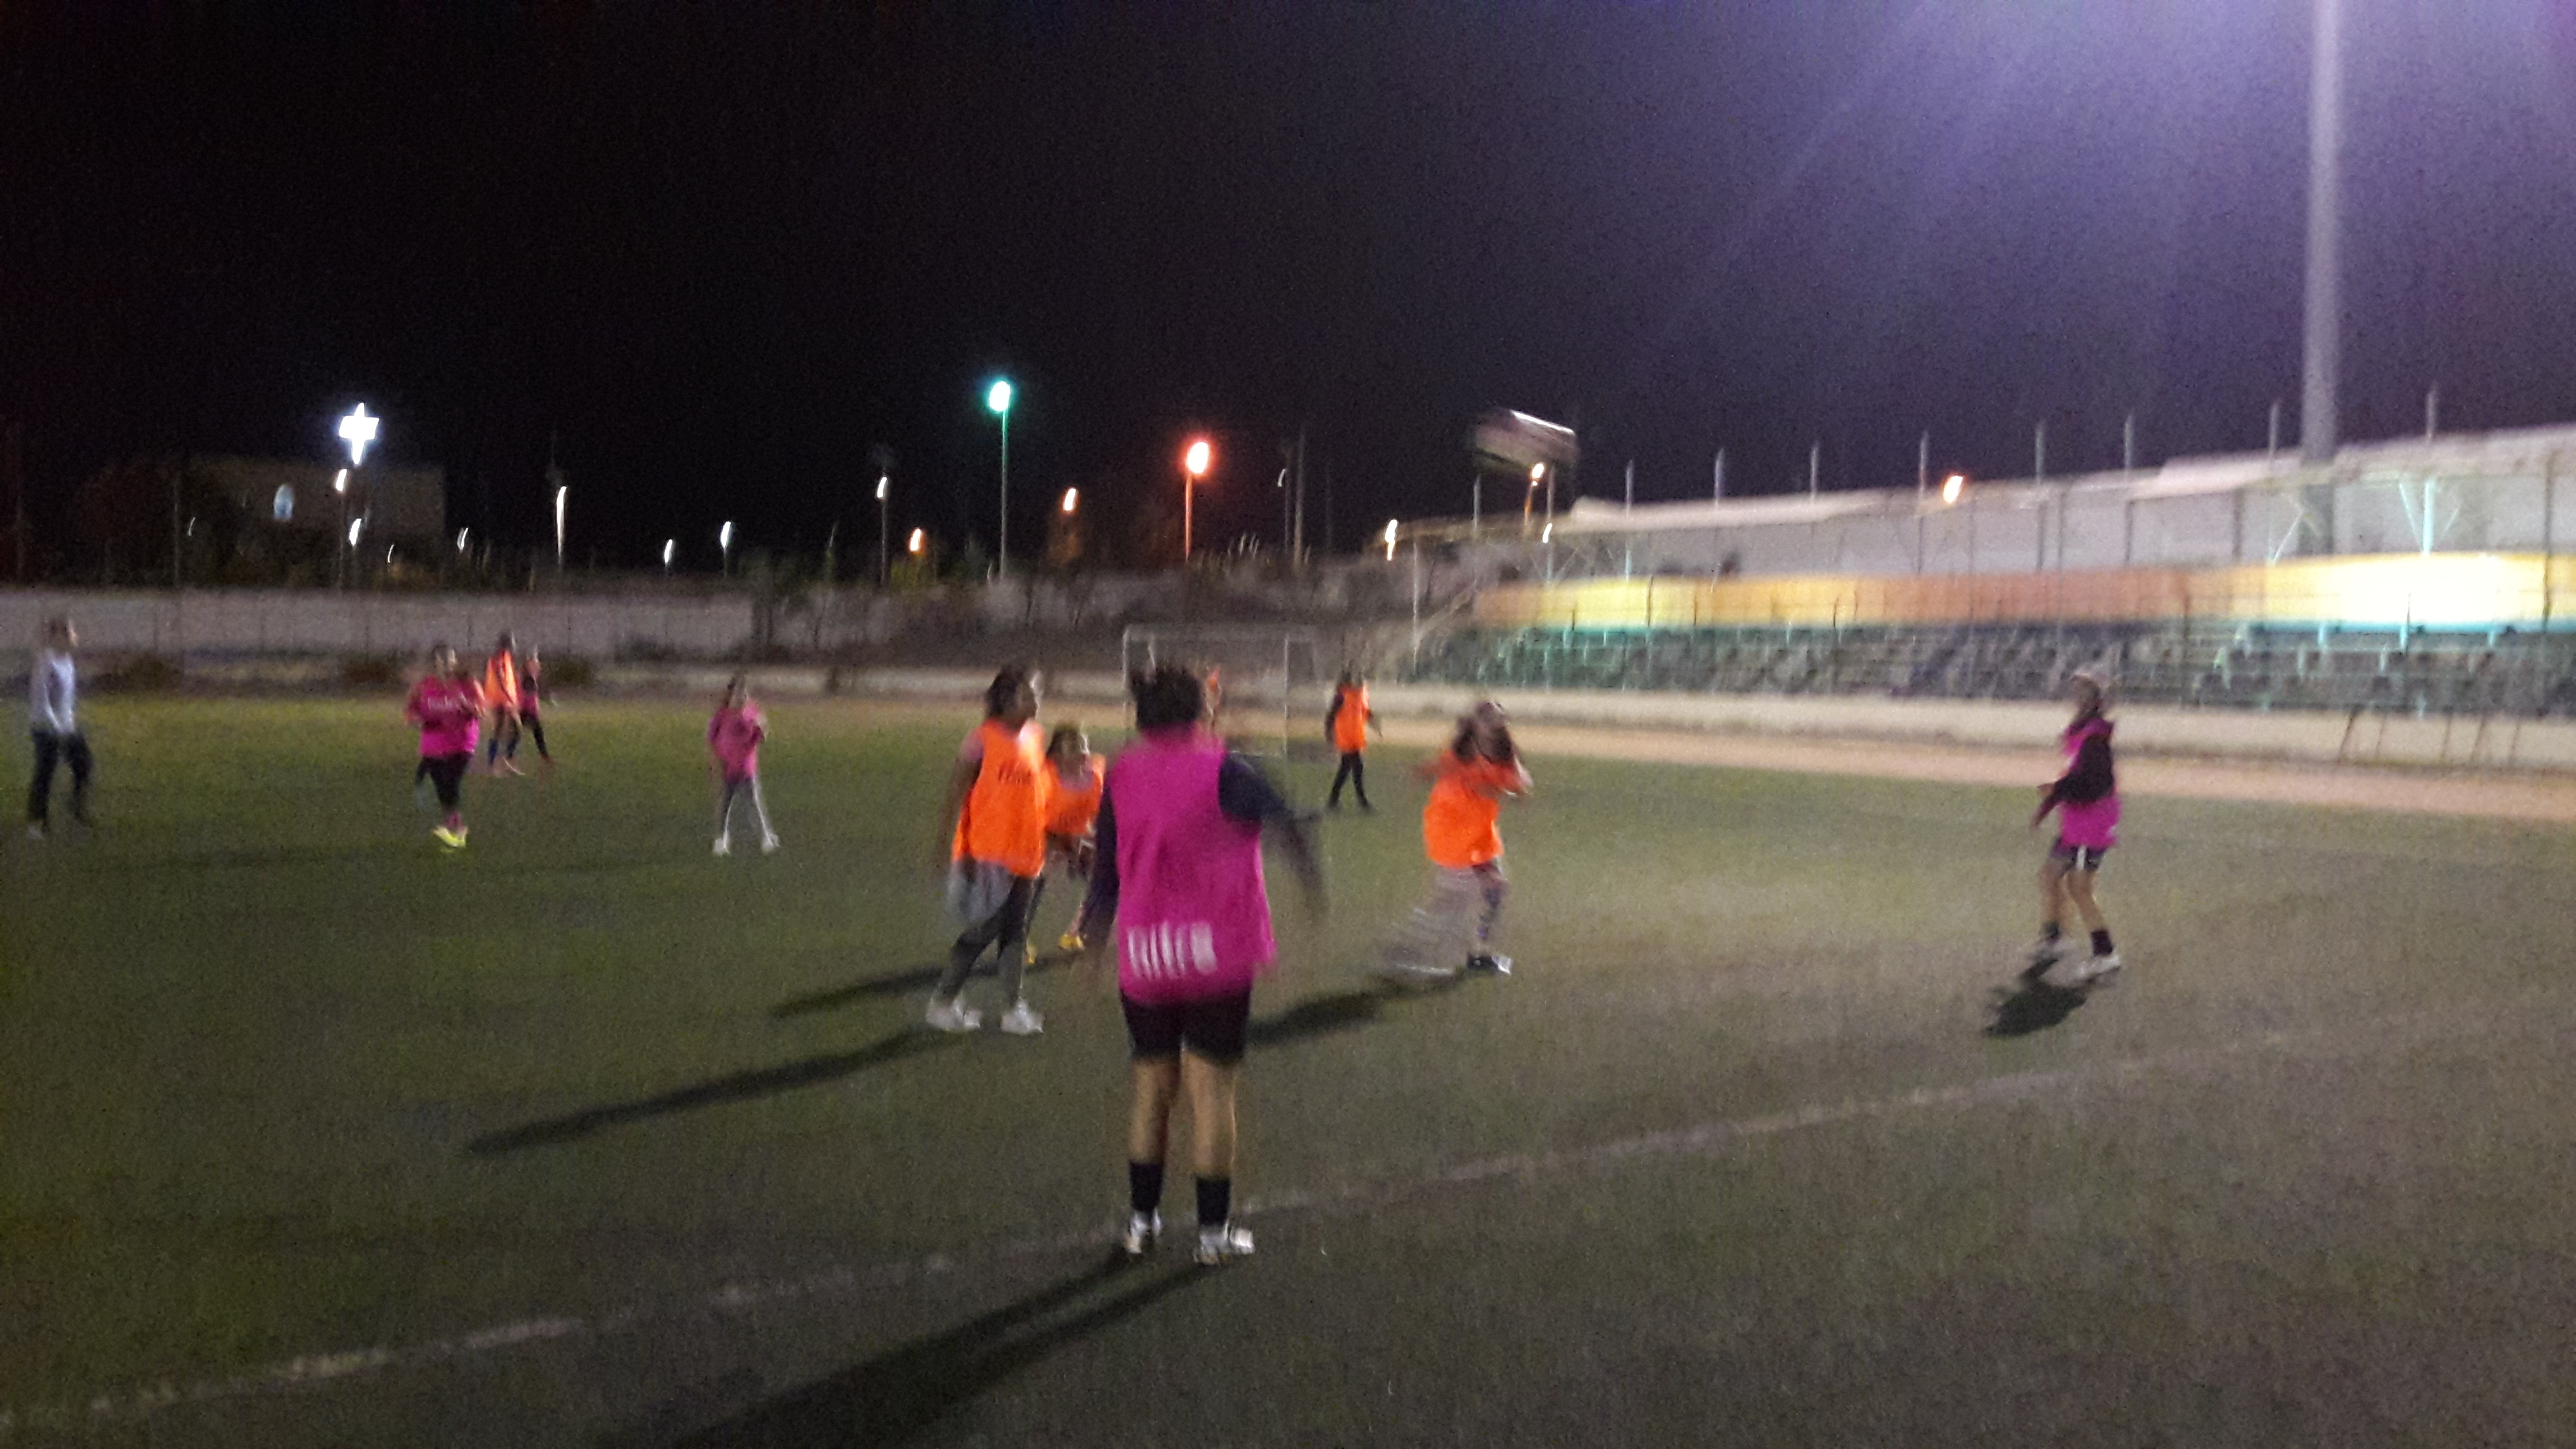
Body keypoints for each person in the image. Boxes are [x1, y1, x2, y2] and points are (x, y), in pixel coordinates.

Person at [1076, 664, 1324, 1265]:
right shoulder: (1227, 769)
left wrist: (1092, 945)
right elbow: (1291, 827)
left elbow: (1105, 872)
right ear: (1203, 712)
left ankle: (1141, 1226)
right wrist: (1311, 888)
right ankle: (1213, 1238)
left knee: (1151, 1088)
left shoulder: (1121, 774)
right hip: (1216, 959)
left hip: (1146, 957)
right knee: (1212, 1093)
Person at [928, 665, 1050, 1035]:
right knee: (984, 933)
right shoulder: (980, 741)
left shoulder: (1035, 736)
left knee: (1015, 933)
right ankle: (943, 1003)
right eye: (1029, 693)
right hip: (990, 856)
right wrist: (948, 847)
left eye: (1037, 692)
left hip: (1027, 854)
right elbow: (955, 797)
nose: (1036, 700)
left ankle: (1013, 1010)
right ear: (1007, 700)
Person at [1378, 701, 1530, 980]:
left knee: (1489, 892)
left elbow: (1521, 791)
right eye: (1488, 717)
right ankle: (1414, 947)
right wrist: (1417, 773)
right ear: (1476, 723)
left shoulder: (1505, 754)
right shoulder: (1462, 752)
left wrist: (1496, 791)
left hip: (1481, 834)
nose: (1494, 723)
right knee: (1459, 899)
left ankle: (1475, 952)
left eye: (1498, 718)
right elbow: (1435, 768)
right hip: (1453, 832)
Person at [2027, 667, 2123, 985]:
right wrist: (2049, 803)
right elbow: (2072, 779)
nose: (2078, 696)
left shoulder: (2095, 739)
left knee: (2080, 888)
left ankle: (2105, 954)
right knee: (2050, 875)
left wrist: (2056, 792)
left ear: (2097, 700)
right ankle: (2055, 938)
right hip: (2076, 823)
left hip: (2091, 824)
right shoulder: (2080, 733)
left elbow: (2095, 785)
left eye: (2085, 691)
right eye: (2077, 690)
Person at [404, 644, 485, 849]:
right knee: (441, 784)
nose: (447, 664)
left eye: (450, 659)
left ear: (455, 660)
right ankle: (453, 823)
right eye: (442, 660)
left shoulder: (467, 683)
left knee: (451, 780)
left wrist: (468, 705)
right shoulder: (425, 686)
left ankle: (456, 827)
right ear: (435, 663)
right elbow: (411, 709)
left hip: (462, 742)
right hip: (433, 743)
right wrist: (414, 719)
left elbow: (481, 710)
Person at [1038, 723, 1103, 953]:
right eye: (1074, 748)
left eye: (1084, 747)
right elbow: (1032, 820)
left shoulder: (1094, 778)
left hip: (1075, 839)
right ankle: (1017, 939)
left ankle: (1076, 932)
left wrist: (1091, 844)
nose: (1083, 753)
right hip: (1043, 838)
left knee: (1100, 877)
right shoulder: (1045, 778)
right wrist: (1062, 843)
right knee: (1033, 886)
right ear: (1057, 756)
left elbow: (1098, 818)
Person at [25, 617, 91, 839]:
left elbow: (66, 700)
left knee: (84, 764)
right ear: (57, 637)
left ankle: (76, 810)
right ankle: (36, 824)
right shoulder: (47, 661)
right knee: (45, 773)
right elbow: (41, 698)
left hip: (65, 727)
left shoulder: (67, 661)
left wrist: (69, 726)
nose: (74, 637)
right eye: (70, 633)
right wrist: (55, 727)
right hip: (45, 726)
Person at [708, 673, 779, 857]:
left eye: (744, 695)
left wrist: (761, 728)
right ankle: (721, 839)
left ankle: (765, 838)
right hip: (727, 767)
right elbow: (712, 738)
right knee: (725, 805)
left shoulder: (752, 713)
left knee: (754, 803)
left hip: (747, 767)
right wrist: (715, 763)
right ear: (730, 696)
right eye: (738, 695)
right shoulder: (722, 715)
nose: (741, 699)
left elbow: (761, 737)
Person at [1323, 669, 1384, 811]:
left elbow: (1365, 712)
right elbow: (1331, 714)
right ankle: (1361, 802)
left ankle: (1334, 801)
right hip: (1347, 737)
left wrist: (1375, 724)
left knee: (1346, 768)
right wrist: (1328, 732)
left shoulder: (1360, 695)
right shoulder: (1342, 696)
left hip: (1355, 737)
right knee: (1356, 767)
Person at [481, 633, 524, 776]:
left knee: (514, 731)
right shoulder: (498, 658)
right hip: (499, 700)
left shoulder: (505, 657)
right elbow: (500, 678)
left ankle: (504, 761)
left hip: (505, 700)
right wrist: (510, 697)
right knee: (502, 731)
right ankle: (495, 764)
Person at [516, 645, 554, 769]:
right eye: (535, 661)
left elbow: (535, 693)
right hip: (525, 709)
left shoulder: (531, 676)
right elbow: (528, 694)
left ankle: (544, 755)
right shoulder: (527, 677)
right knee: (529, 732)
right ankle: (507, 756)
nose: (538, 665)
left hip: (528, 709)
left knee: (535, 732)